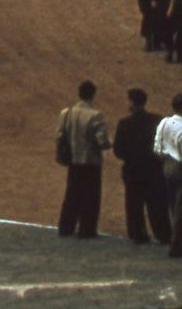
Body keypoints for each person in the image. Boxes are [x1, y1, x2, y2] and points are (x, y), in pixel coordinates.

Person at [112, 87, 171, 246]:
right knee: (157, 203)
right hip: (154, 169)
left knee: (133, 204)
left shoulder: (124, 124)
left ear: (132, 103)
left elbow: (118, 150)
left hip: (133, 170)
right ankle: (163, 233)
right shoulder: (157, 121)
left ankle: (138, 234)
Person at [54, 80, 111, 239]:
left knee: (72, 194)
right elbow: (103, 142)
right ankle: (87, 229)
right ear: (93, 95)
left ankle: (66, 227)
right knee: (91, 197)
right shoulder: (96, 115)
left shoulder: (66, 113)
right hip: (91, 163)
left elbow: (59, 136)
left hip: (73, 161)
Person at [152, 92, 182, 257]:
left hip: (166, 166)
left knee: (174, 206)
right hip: (180, 169)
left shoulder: (164, 123)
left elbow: (157, 149)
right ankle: (178, 245)